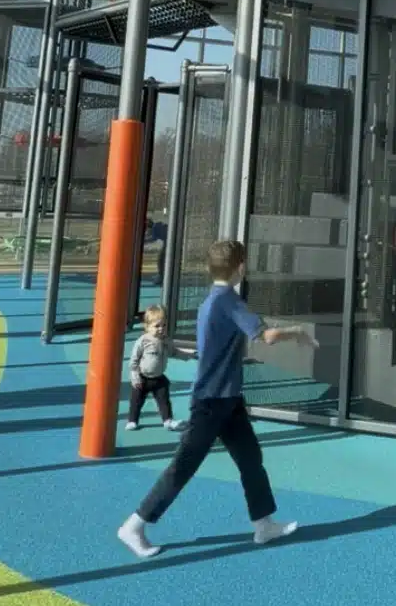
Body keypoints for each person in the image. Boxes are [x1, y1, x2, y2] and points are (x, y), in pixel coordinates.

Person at [118, 238, 316, 560]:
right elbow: (265, 336)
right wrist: (299, 332)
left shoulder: (211, 299)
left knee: (251, 460)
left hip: (227, 400)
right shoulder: (229, 301)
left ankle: (263, 523)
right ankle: (136, 524)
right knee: (183, 466)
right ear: (240, 267)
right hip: (212, 403)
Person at [126, 304, 192, 431]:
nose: (161, 329)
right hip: (142, 378)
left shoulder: (166, 340)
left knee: (164, 400)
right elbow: (134, 360)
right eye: (157, 326)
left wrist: (187, 355)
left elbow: (174, 352)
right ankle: (132, 420)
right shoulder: (143, 341)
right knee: (136, 401)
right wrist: (135, 376)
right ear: (147, 326)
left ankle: (168, 420)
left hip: (159, 378)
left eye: (164, 325)